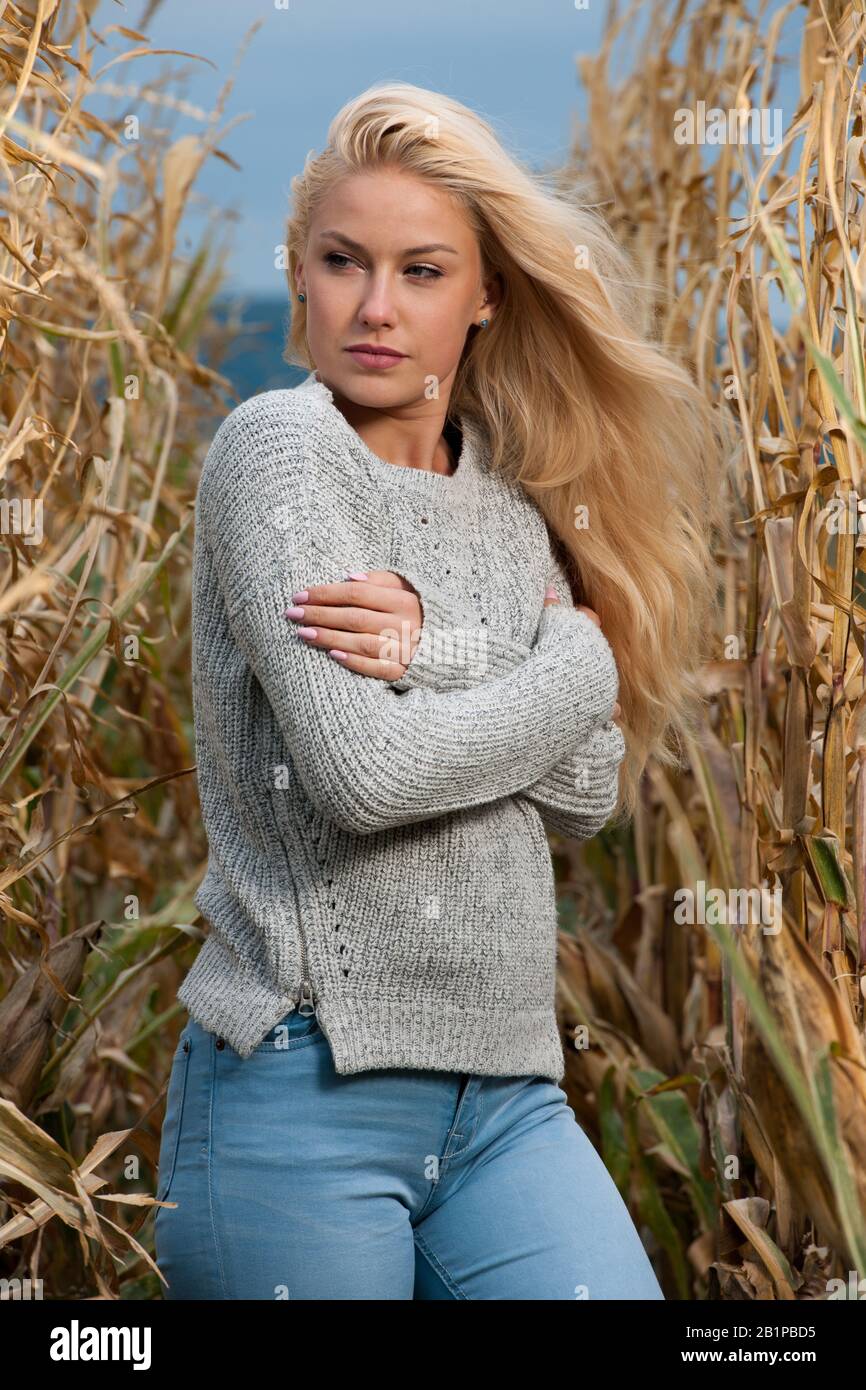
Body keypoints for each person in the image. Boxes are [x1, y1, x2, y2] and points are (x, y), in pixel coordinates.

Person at [153, 81, 724, 1300]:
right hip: (308, 1083)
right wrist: (568, 660)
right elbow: (369, 777)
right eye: (340, 263)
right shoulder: (277, 449)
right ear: (298, 276)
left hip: (507, 1095)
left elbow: (582, 791)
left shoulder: (515, 506)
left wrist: (439, 652)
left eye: (420, 271)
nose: (373, 307)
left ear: (485, 297)